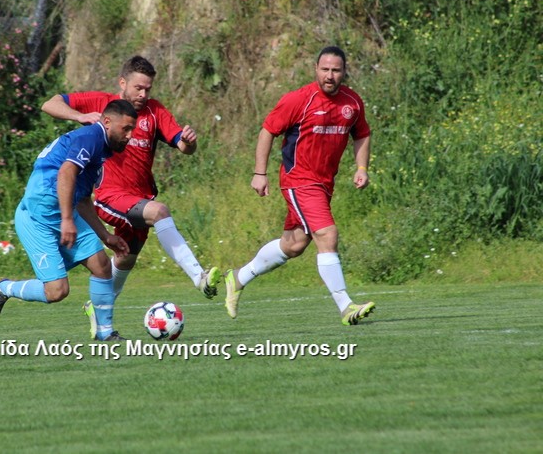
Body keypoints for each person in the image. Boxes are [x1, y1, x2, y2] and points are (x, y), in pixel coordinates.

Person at [41, 55, 221, 338]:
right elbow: (49, 103)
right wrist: (80, 116)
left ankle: (97, 308)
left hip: (139, 198)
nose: (143, 94)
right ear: (122, 82)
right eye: (138, 88)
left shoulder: (155, 111)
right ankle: (199, 277)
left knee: (125, 257)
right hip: (110, 195)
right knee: (159, 212)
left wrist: (189, 142)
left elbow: (183, 147)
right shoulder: (103, 103)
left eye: (148, 89)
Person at [223, 46, 375, 325]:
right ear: (316, 69)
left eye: (336, 70)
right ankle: (346, 307)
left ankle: (238, 278)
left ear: (344, 71)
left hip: (324, 183)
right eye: (325, 69)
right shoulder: (299, 100)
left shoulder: (352, 102)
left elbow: (362, 134)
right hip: (299, 179)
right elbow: (268, 130)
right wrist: (260, 173)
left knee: (293, 245)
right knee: (327, 235)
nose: (330, 75)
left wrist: (362, 168)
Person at [0, 99, 137, 341]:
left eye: (132, 130)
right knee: (57, 291)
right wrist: (67, 219)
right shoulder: (90, 137)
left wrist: (105, 235)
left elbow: (83, 199)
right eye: (126, 129)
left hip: (62, 211)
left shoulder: (100, 149)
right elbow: (66, 172)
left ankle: (105, 333)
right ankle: (5, 288)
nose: (129, 136)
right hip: (38, 217)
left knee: (102, 265)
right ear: (107, 122)